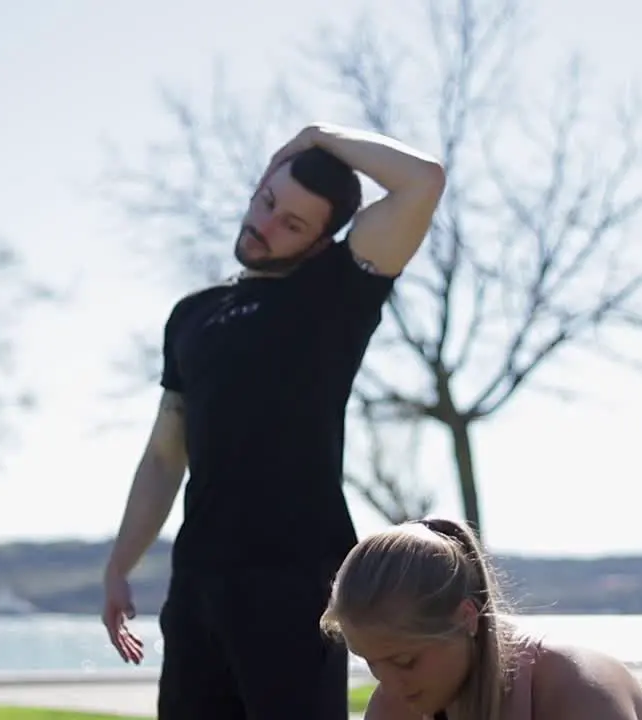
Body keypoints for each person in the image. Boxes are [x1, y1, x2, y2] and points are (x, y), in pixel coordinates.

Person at [100, 122, 446, 720]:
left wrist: (315, 137)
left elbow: (422, 181)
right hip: (198, 585)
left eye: (292, 224)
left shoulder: (337, 290)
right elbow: (163, 456)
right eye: (267, 203)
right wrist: (118, 567)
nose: (264, 225)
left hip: (296, 586)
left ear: (319, 242)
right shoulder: (192, 316)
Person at [323, 518, 642, 720]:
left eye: (406, 661)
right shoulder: (396, 706)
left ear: (466, 618)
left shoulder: (575, 688)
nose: (392, 684)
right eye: (373, 664)